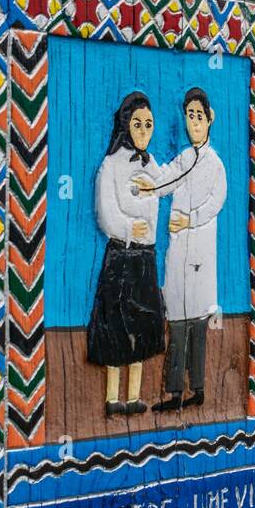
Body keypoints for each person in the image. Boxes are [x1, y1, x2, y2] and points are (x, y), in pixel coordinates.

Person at [87, 92, 169, 417]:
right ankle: (111, 397)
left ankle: (133, 396)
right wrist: (127, 227)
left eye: (149, 124)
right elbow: (105, 211)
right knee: (115, 325)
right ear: (125, 124)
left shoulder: (152, 165)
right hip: (121, 256)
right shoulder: (111, 165)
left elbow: (169, 185)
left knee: (144, 325)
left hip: (145, 258)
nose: (143, 130)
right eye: (137, 123)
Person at [151, 87, 226, 411]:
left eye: (199, 116)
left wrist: (189, 220)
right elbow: (166, 180)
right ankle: (173, 393)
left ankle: (197, 388)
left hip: (199, 254)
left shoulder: (215, 165)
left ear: (210, 119)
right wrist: (145, 178)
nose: (193, 123)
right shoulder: (184, 158)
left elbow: (215, 204)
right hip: (178, 251)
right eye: (189, 116)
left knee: (197, 324)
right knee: (176, 323)